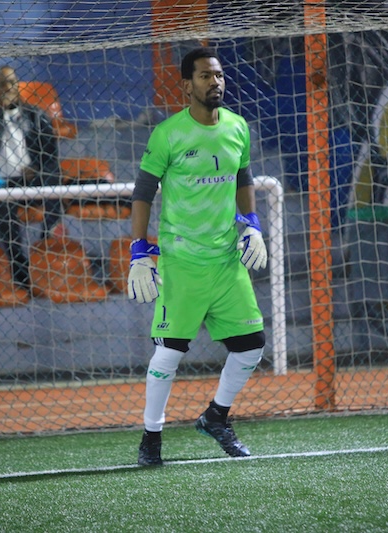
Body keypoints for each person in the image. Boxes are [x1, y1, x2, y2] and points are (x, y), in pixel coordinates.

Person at [128, 47, 268, 466]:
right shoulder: (168, 133)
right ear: (187, 85)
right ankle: (151, 438)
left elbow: (243, 176)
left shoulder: (238, 127)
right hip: (182, 264)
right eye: (206, 76)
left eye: (219, 75)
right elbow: (143, 192)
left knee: (251, 347)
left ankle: (215, 417)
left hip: (226, 261)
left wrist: (252, 224)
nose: (215, 82)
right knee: (169, 354)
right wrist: (139, 250)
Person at [0, 65, 66, 292]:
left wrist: (36, 169)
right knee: (3, 203)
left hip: (30, 179)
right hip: (0, 182)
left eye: (12, 82)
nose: (8, 88)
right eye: (2, 84)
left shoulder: (35, 115)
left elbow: (50, 156)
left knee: (53, 177)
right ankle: (18, 264)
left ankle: (47, 239)